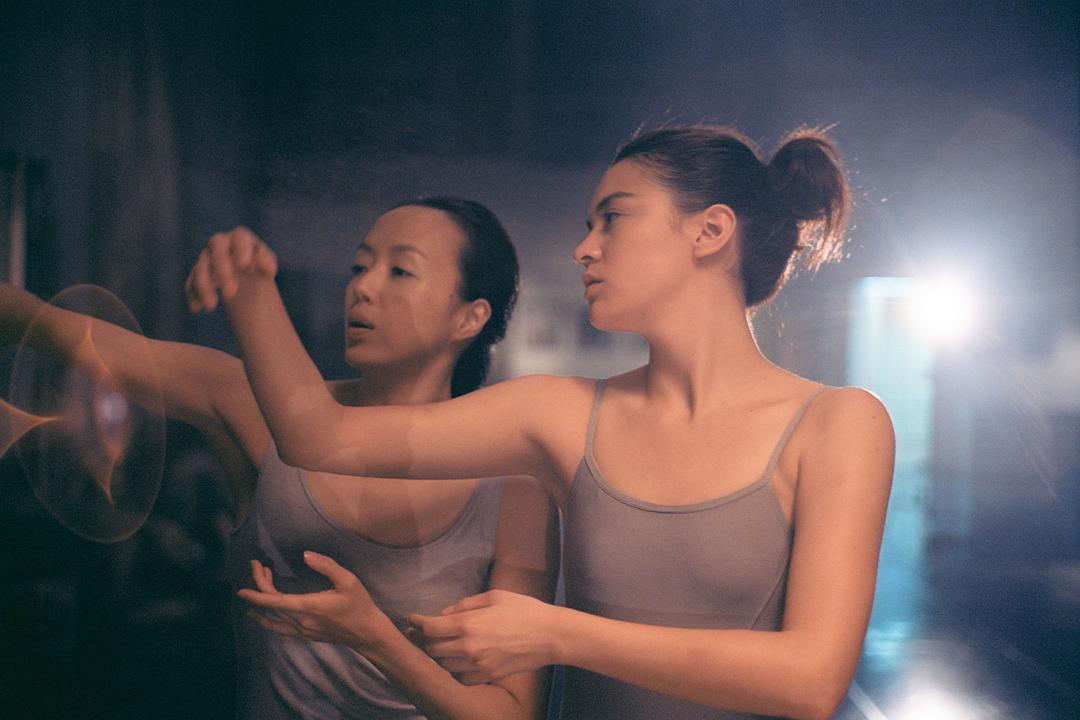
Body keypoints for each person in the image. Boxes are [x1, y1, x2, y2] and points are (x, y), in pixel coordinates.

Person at [191, 125, 895, 720]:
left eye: (612, 219)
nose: (584, 248)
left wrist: (558, 633)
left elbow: (810, 680)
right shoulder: (557, 414)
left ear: (709, 231)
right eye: (589, 227)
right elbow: (319, 437)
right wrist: (252, 294)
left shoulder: (837, 425)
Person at [0, 197, 558, 720]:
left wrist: (374, 637)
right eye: (359, 266)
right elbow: (53, 328)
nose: (362, 287)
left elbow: (512, 710)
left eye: (400, 271)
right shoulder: (254, 407)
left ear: (469, 318)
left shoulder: (514, 483)